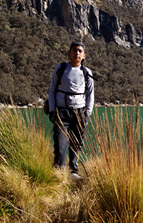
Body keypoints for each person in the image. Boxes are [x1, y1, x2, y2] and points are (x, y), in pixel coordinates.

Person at [48, 41, 94, 180]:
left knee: (76, 143)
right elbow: (52, 90)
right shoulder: (60, 68)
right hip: (61, 112)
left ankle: (73, 170)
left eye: (80, 51)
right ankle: (59, 172)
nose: (77, 53)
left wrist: (87, 113)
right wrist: (52, 110)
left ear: (84, 55)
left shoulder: (87, 73)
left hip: (79, 112)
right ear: (69, 52)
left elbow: (90, 94)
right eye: (74, 50)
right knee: (60, 143)